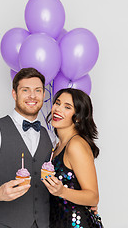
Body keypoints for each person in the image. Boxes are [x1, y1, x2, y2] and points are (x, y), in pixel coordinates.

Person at [0, 68, 54, 228]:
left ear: (43, 95)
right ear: (14, 94)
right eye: (25, 90)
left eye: (38, 90)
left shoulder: (51, 136)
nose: (32, 96)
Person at [41, 88, 103, 228]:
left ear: (78, 116)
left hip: (77, 223)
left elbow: (93, 196)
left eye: (67, 107)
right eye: (57, 103)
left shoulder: (76, 145)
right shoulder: (57, 145)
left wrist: (62, 191)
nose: (58, 109)